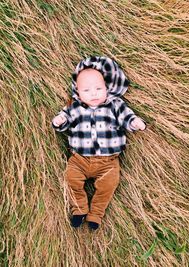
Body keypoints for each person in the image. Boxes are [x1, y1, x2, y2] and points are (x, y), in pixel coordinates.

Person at [52, 56, 146, 230]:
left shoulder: (115, 105)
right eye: (87, 90)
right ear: (78, 92)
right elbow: (65, 118)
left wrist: (134, 122)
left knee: (108, 185)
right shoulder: (75, 106)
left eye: (98, 88)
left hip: (108, 162)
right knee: (71, 179)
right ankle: (79, 209)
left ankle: (96, 214)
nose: (94, 93)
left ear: (107, 88)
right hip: (79, 159)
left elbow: (126, 117)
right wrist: (59, 120)